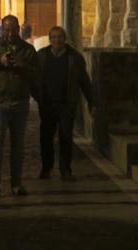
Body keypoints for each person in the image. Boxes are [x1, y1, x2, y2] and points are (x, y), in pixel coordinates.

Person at [0, 14, 37, 197]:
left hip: (19, 101)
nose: (10, 33)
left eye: (13, 29)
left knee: (18, 143)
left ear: (19, 28)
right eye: (7, 29)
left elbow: (37, 73)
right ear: (2, 29)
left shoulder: (27, 49)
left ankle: (16, 184)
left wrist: (21, 65)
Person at [35, 26, 94, 181]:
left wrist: (91, 101)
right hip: (47, 105)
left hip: (66, 104)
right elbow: (33, 79)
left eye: (60, 37)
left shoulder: (74, 58)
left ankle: (65, 170)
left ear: (65, 38)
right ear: (49, 39)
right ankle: (46, 168)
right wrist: (37, 97)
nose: (57, 40)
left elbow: (84, 81)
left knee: (66, 137)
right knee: (46, 137)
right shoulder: (41, 56)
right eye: (54, 37)